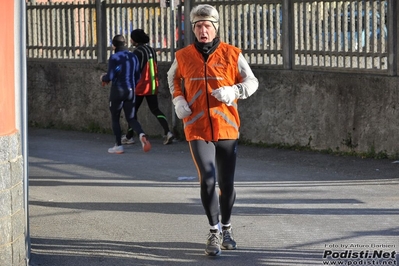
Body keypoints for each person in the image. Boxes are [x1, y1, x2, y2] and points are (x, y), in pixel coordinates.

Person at [167, 4, 259, 256]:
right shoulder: (183, 56)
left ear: (215, 27)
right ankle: (214, 231)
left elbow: (252, 81)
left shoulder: (232, 54)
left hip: (227, 128)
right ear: (193, 29)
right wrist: (178, 99)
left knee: (226, 184)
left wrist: (235, 91)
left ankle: (227, 227)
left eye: (207, 26)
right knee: (208, 180)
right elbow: (173, 78)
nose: (203, 30)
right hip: (196, 128)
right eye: (198, 26)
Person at [121, 29, 174, 146]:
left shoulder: (137, 52)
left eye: (132, 38)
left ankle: (129, 137)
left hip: (140, 86)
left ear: (135, 40)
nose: (131, 40)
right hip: (152, 84)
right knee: (155, 109)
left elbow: (135, 70)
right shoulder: (151, 50)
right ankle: (168, 132)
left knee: (132, 112)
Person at [101, 34, 151, 154]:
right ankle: (141, 134)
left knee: (115, 118)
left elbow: (111, 76)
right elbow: (138, 75)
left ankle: (118, 145)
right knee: (131, 118)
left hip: (117, 91)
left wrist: (103, 77)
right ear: (125, 44)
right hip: (130, 91)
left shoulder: (114, 58)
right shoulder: (132, 56)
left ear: (114, 46)